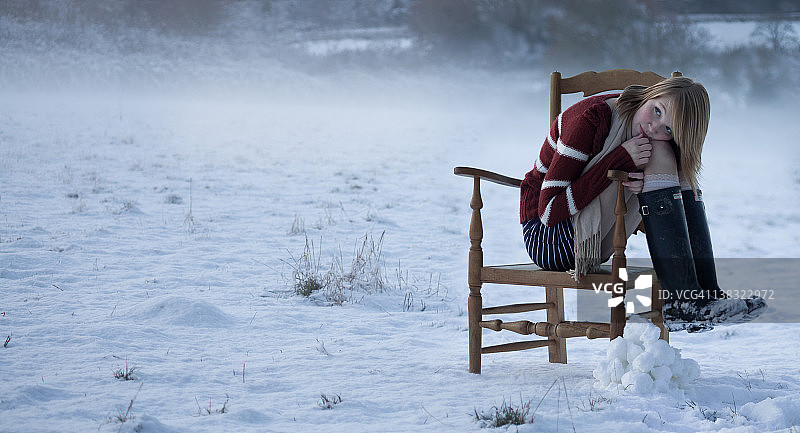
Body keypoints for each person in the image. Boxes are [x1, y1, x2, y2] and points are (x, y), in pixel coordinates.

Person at [519, 76, 765, 331]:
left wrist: (638, 181)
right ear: (652, 93)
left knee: (674, 158)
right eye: (657, 110)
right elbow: (549, 211)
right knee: (659, 151)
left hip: (590, 233)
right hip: (547, 238)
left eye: (669, 130)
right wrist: (619, 162)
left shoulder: (647, 132)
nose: (654, 127)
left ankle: (705, 294)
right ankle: (683, 303)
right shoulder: (590, 120)